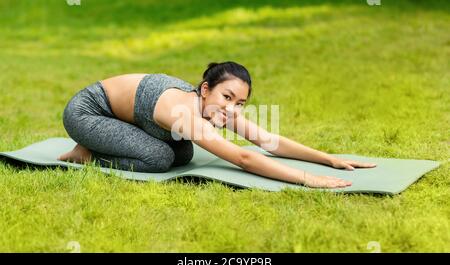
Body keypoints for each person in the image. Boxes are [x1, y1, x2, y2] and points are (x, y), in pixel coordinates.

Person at [58, 61, 376, 188]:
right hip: (89, 113)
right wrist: (308, 179)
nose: (231, 108)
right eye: (227, 96)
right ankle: (86, 153)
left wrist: (327, 158)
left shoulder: (214, 107)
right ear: (205, 89)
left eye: (240, 102)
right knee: (159, 159)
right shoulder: (182, 112)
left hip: (125, 117)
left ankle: (102, 143)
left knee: (183, 156)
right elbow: (243, 157)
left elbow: (268, 141)